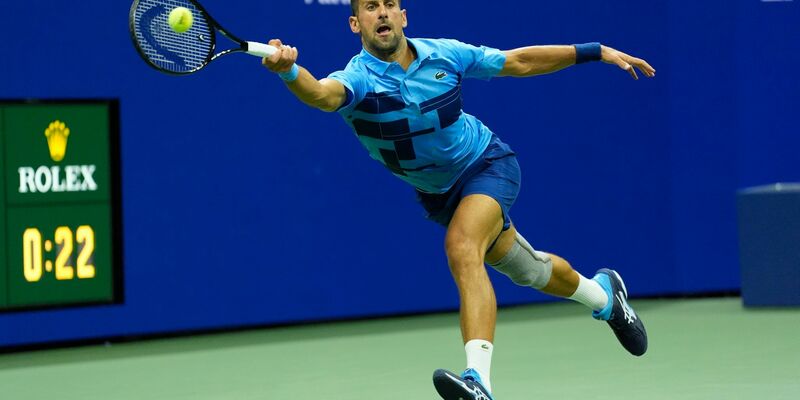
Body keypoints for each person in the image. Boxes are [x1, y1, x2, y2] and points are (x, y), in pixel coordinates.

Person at [262, 1, 655, 399]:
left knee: (462, 246)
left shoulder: (444, 54)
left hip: (487, 165)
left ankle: (478, 381)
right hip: (440, 195)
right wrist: (290, 71)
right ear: (355, 23)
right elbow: (321, 95)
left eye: (389, 4)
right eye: (369, 6)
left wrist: (595, 50)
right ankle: (606, 296)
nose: (381, 12)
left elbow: (518, 61)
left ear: (403, 16)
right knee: (529, 269)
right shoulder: (358, 79)